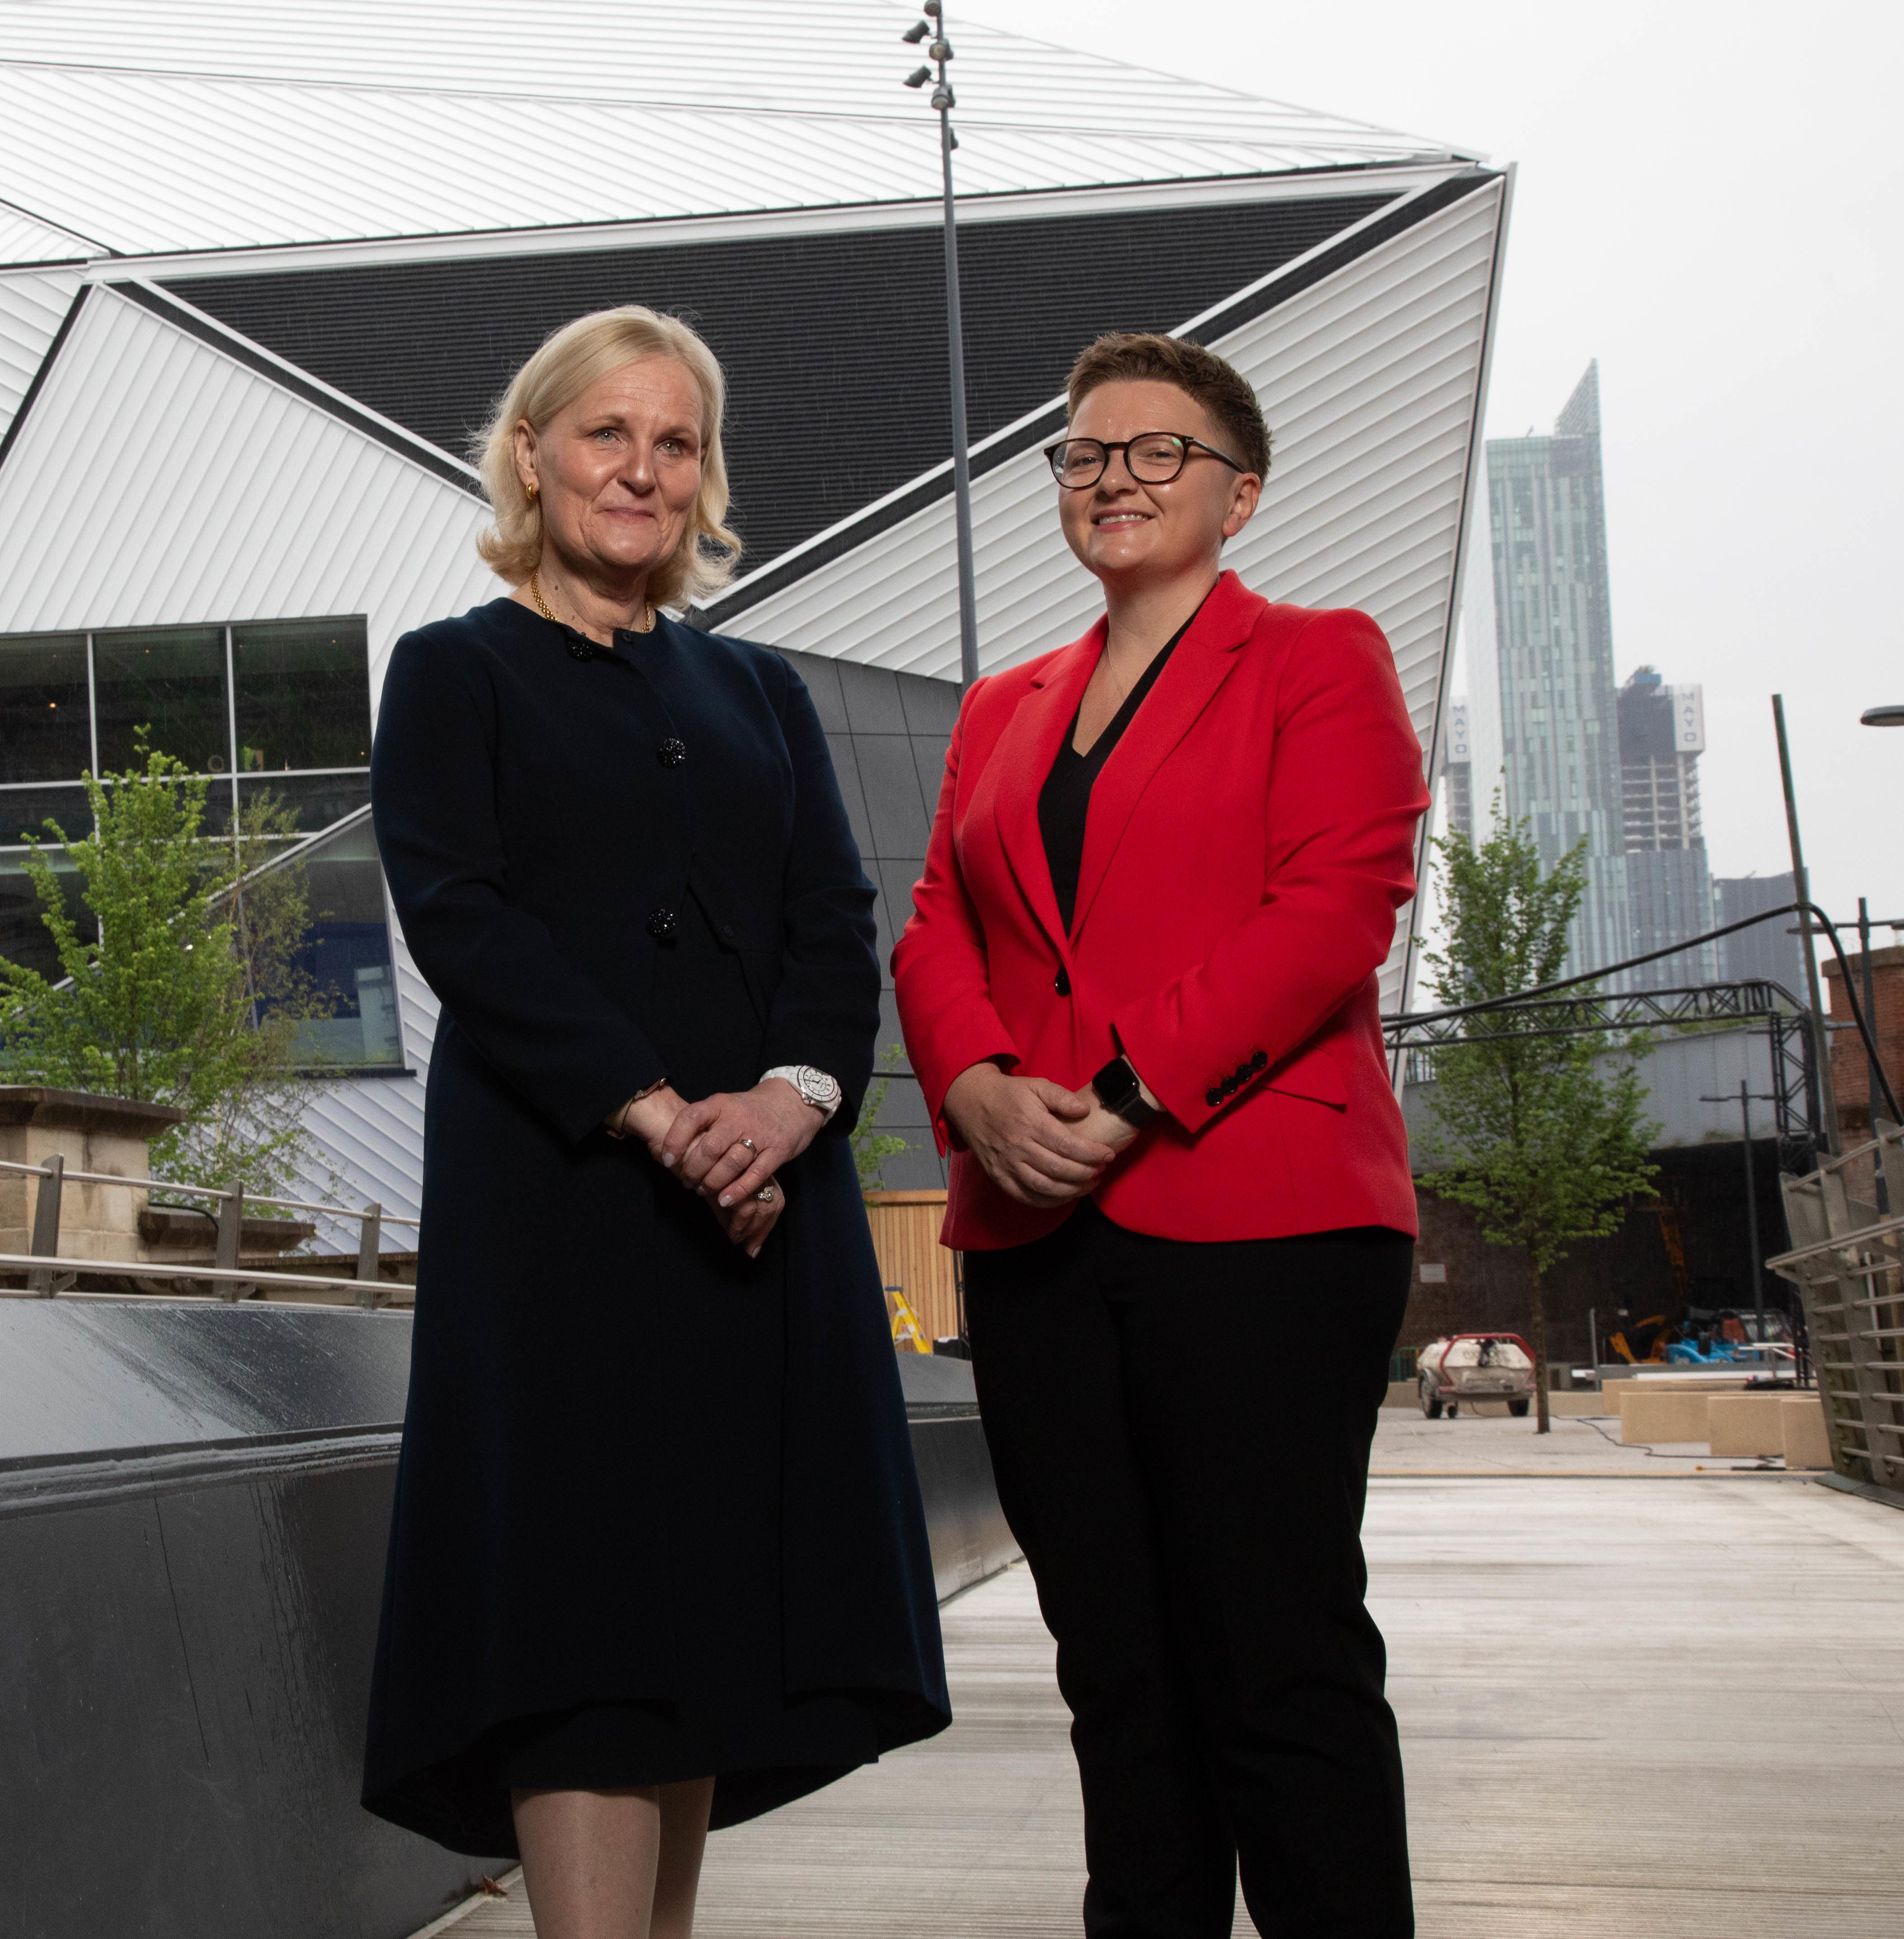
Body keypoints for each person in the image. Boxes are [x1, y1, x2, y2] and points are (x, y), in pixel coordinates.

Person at [364, 305, 949, 1938]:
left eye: (674, 442)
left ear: (704, 481)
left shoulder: (759, 687)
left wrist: (786, 1103)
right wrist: (659, 1116)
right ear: (535, 453)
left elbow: (835, 916)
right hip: (564, 1207)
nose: (641, 468)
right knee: (580, 1624)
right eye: (607, 433)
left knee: (696, 1624)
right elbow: (462, 918)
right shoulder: (451, 671)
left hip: (763, 1209)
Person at [894, 331, 1431, 1936]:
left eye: (1156, 451)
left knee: (1276, 1658)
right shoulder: (1004, 707)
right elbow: (936, 926)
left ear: (1240, 493)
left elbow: (1335, 909)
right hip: (1041, 1230)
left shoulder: (1320, 657)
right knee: (1115, 1677)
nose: (1111, 476)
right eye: (1083, 453)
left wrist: (1124, 1097)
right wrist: (980, 1093)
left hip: (1262, 1211)